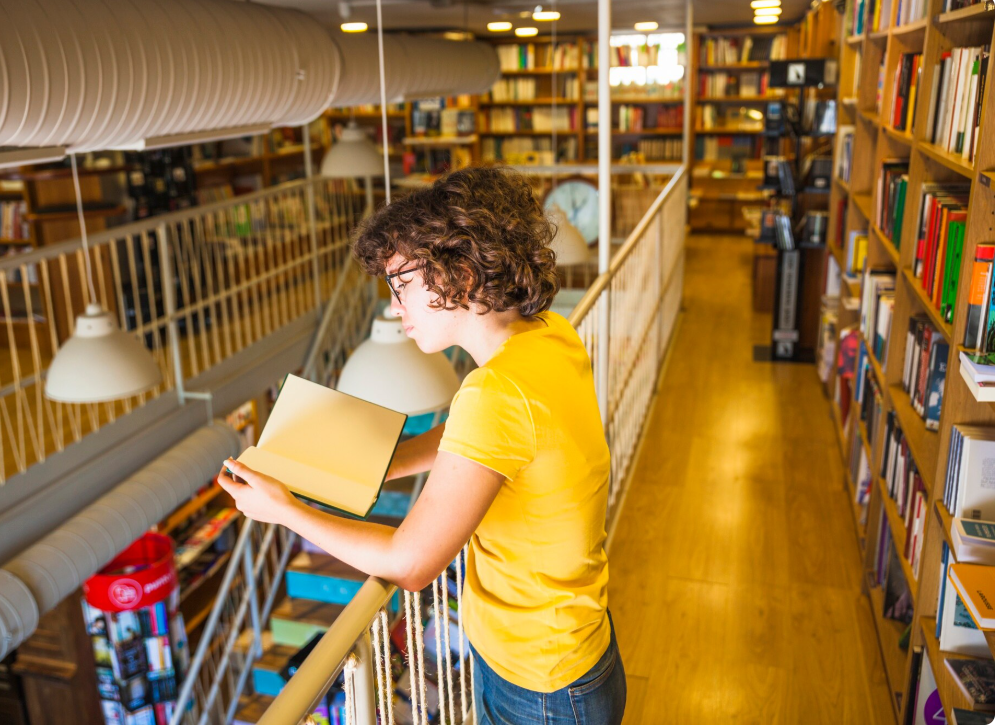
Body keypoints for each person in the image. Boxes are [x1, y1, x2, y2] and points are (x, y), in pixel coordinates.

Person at [219, 165, 625, 725]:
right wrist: (373, 467)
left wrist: (284, 511)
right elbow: (475, 436)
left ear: (457, 275)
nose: (393, 308)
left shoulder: (496, 391)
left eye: (401, 285)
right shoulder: (546, 335)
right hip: (562, 653)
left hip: (542, 684)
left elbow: (410, 564)